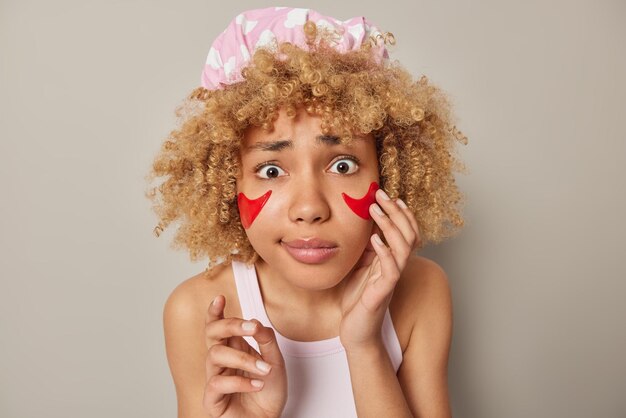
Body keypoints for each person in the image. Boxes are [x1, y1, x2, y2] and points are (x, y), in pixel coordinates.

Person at [146, 6, 467, 418]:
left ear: (388, 172)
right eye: (272, 170)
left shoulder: (422, 290)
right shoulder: (200, 311)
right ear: (230, 184)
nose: (309, 208)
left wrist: (364, 345)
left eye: (342, 165)